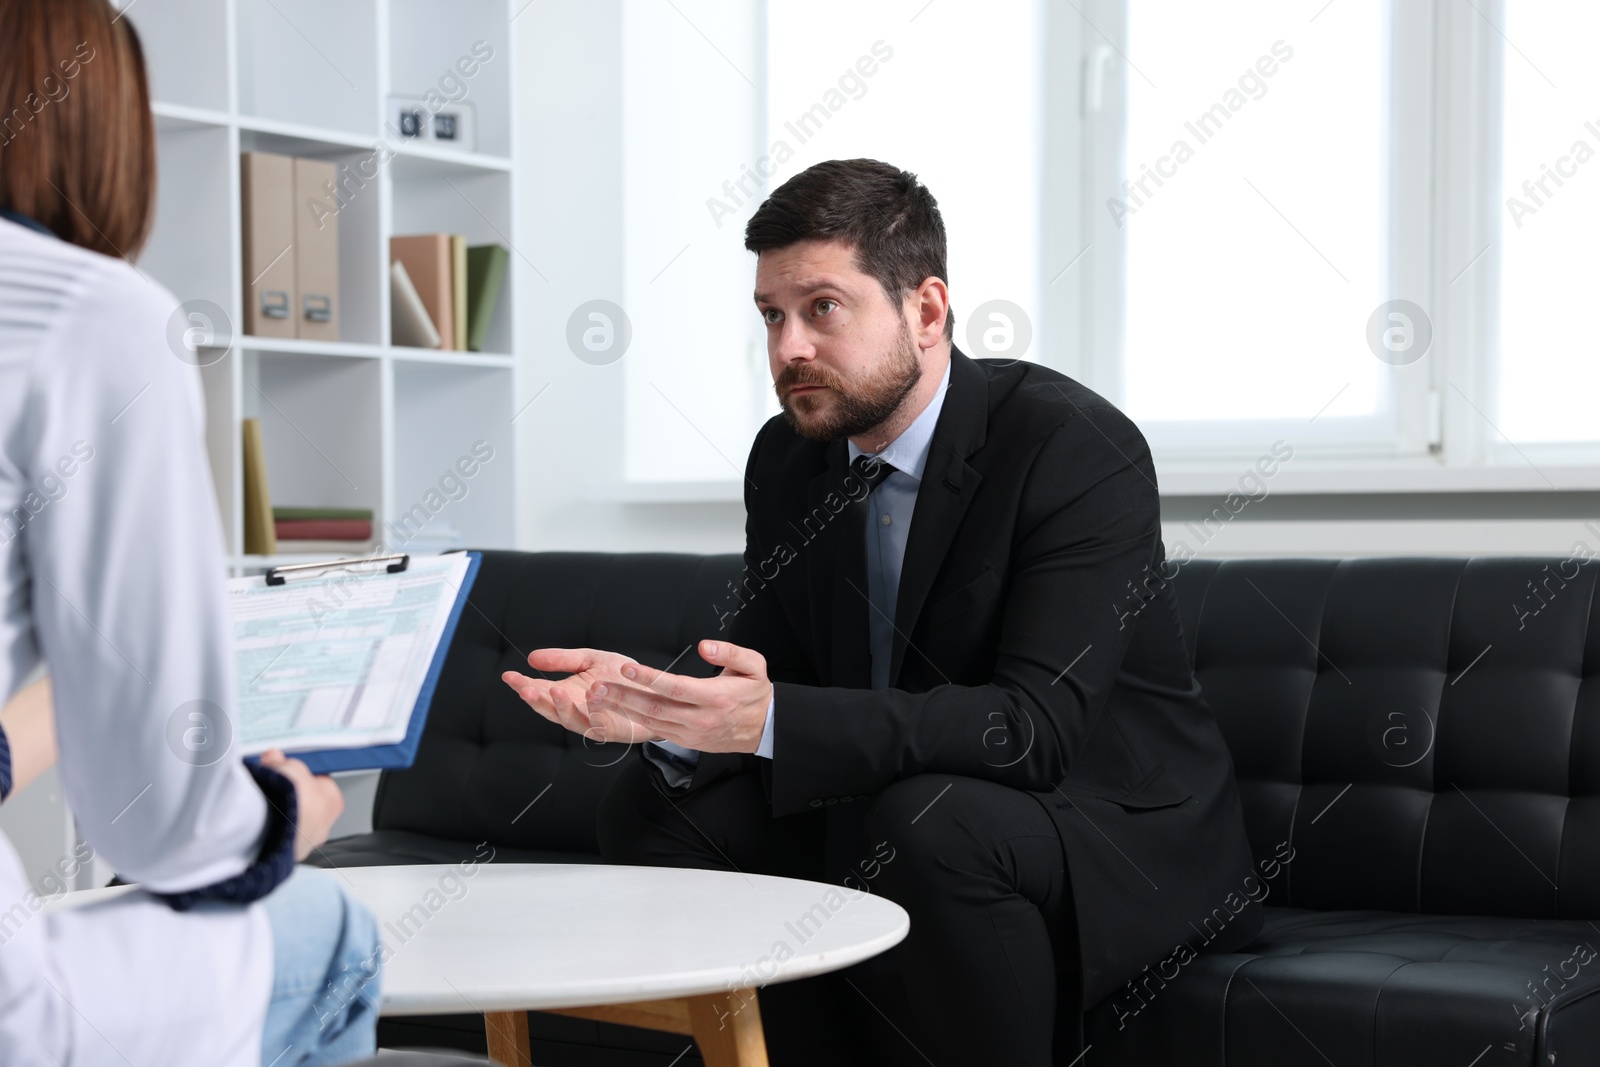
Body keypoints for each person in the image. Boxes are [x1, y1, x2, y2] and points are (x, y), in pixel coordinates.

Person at [503, 158, 1261, 1064]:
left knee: (930, 819)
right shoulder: (788, 460)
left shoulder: (1072, 446)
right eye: (771, 316)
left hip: (1103, 818)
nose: (788, 348)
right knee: (655, 807)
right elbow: (769, 669)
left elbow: (1032, 729)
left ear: (928, 311)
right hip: (900, 796)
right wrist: (662, 714)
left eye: (822, 307)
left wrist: (772, 718)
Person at [0, 1, 381, 1062]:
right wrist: (279, 820)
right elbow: (159, 824)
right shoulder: (91, 313)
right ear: (101, 134)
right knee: (334, 934)